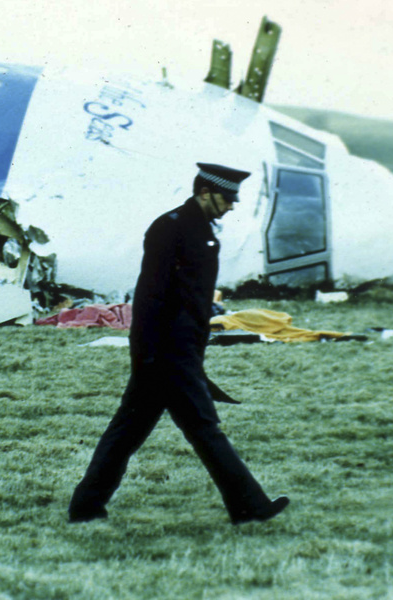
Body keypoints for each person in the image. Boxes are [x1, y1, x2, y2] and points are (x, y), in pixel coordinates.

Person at [68, 162, 290, 525]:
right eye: (228, 197)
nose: (232, 205)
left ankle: (86, 506)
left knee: (128, 432)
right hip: (167, 352)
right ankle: (249, 506)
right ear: (205, 193)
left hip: (176, 351)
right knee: (203, 427)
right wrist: (151, 355)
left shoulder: (199, 230)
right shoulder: (170, 228)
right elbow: (151, 296)